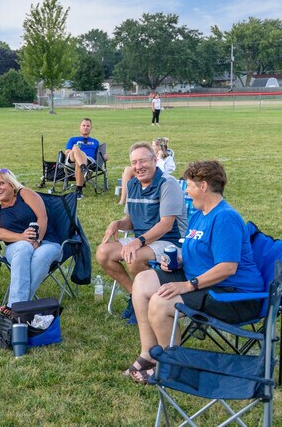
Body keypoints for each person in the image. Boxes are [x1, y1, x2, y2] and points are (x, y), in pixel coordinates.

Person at [124, 160, 263, 384]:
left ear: (204, 186)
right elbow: (194, 251)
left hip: (231, 293)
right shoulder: (199, 214)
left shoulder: (225, 217)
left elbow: (228, 267)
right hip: (201, 280)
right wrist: (177, 261)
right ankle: (149, 353)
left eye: (188, 186)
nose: (186, 191)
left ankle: (170, 366)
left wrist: (188, 285)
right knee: (142, 281)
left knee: (161, 302)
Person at [96, 142, 186, 324]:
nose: (138, 167)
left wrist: (138, 242)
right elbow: (130, 220)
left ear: (154, 160)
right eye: (134, 162)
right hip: (143, 240)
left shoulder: (168, 184)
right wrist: (117, 223)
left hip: (170, 241)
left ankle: (145, 302)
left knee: (134, 256)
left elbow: (167, 225)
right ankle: (136, 296)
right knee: (103, 253)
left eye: (143, 161)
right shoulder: (133, 184)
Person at [0, 169, 61, 315]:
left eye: (2, 183)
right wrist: (21, 237)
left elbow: (42, 217)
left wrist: (38, 240)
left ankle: (15, 306)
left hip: (47, 242)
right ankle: (21, 307)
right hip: (15, 247)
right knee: (23, 248)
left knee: (41, 255)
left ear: (11, 184)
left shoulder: (25, 194)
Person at [118, 137, 175, 205]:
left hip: (155, 177)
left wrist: (160, 158)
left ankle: (125, 199)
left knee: (127, 172)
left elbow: (163, 171)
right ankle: (125, 198)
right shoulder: (147, 154)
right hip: (145, 175)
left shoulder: (167, 158)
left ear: (159, 147)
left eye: (153, 146)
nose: (152, 147)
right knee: (127, 171)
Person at [63, 118, 108, 200]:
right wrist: (76, 151)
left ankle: (79, 190)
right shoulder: (73, 139)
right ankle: (84, 169)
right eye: (83, 125)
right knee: (76, 148)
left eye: (88, 126)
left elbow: (98, 155)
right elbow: (67, 152)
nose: (85, 127)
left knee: (79, 162)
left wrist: (105, 156)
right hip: (72, 158)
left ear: (91, 128)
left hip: (88, 161)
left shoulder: (95, 142)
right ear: (80, 127)